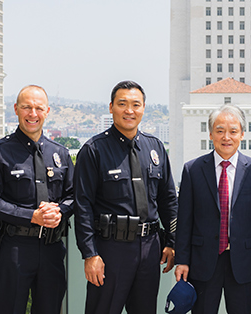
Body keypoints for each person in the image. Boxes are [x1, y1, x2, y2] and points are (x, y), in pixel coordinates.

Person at [74, 80, 178, 314]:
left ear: (143, 108)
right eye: (122, 104)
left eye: (135, 104)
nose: (129, 111)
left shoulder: (156, 148)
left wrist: (172, 242)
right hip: (111, 249)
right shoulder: (94, 150)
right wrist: (90, 254)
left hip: (150, 248)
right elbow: (83, 207)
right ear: (111, 107)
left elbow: (168, 200)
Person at [0, 85, 74, 314]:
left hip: (52, 247)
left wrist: (59, 211)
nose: (33, 114)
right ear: (16, 109)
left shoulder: (59, 153)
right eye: (26, 107)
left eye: (39, 108)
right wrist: (31, 216)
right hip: (14, 248)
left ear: (48, 111)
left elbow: (74, 196)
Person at [174, 105, 251, 314]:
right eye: (220, 131)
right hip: (202, 262)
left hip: (244, 262)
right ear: (210, 134)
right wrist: (182, 260)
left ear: (242, 134)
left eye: (233, 131)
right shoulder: (193, 170)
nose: (226, 137)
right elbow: (185, 220)